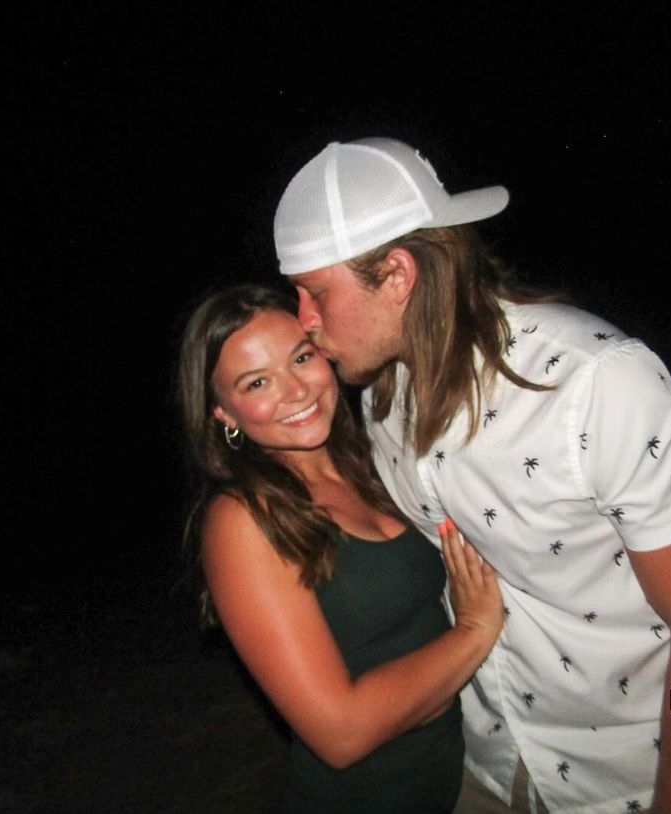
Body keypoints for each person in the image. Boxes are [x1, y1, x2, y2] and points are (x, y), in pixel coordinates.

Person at [272, 137, 671, 814]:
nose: (304, 321)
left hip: (632, 781)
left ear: (398, 275)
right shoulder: (382, 396)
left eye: (316, 292)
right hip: (480, 767)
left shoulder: (598, 387)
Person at [176, 284, 505, 813]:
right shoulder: (242, 520)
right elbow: (341, 733)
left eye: (301, 358)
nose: (296, 390)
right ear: (224, 414)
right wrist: (474, 631)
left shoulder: (374, 462)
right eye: (257, 382)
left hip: (457, 780)